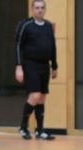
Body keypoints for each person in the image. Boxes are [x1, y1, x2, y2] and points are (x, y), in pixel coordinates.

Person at [15, 0, 58, 140]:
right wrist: (19, 66)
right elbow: (18, 46)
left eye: (42, 8)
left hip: (44, 65)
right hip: (30, 64)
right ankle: (23, 127)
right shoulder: (26, 25)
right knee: (35, 95)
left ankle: (40, 131)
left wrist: (55, 66)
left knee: (42, 98)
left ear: (45, 9)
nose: (40, 10)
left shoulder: (48, 26)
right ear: (32, 9)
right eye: (37, 8)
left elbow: (53, 47)